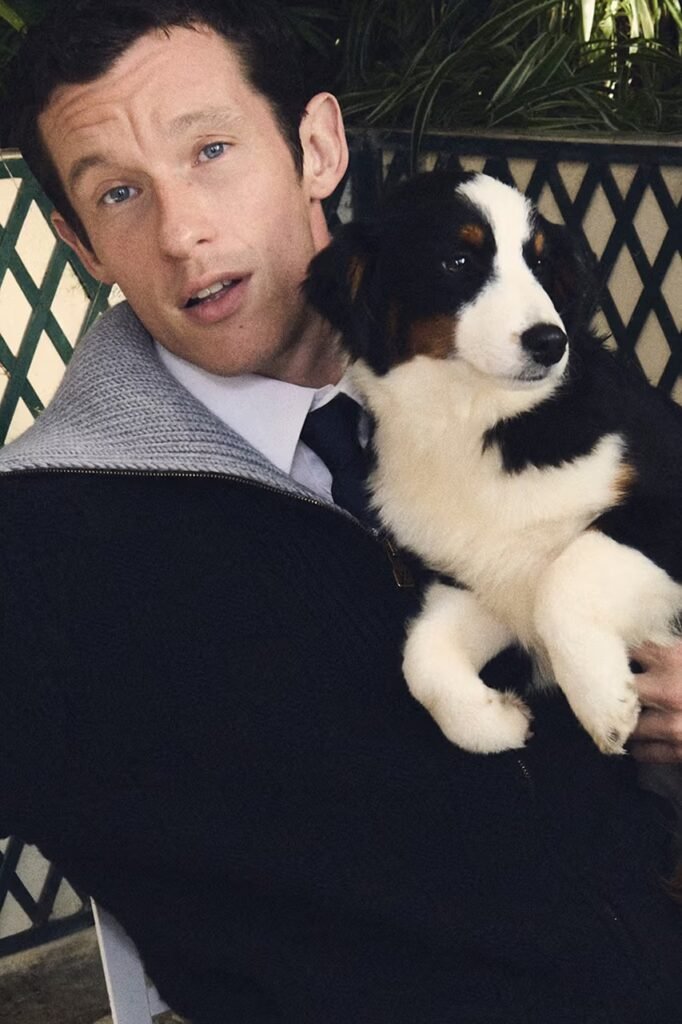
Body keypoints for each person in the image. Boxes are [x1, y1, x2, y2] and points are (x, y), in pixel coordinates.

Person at [1, 1, 681, 1021]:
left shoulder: (544, 383)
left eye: (212, 151)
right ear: (79, 241)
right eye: (120, 193)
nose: (183, 233)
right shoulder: (42, 547)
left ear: (316, 147)